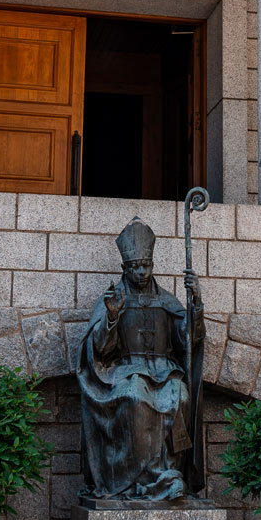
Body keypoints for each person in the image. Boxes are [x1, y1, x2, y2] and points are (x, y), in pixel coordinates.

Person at [78, 216, 202, 504]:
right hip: (125, 371)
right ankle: (140, 480)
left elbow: (187, 341)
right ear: (125, 268)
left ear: (153, 266)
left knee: (180, 396)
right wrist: (111, 316)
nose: (142, 271)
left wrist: (195, 303)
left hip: (164, 370)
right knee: (135, 398)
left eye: (146, 265)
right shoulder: (113, 298)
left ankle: (168, 473)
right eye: (135, 266)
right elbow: (98, 350)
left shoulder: (167, 299)